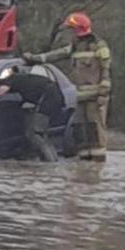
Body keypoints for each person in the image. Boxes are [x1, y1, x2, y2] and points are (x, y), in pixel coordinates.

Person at [25, 12, 111, 161]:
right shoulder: (75, 47)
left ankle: (96, 169)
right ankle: (85, 168)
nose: (69, 33)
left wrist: (103, 94)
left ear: (78, 30)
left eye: (71, 30)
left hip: (95, 99)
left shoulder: (99, 46)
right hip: (80, 97)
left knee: (95, 132)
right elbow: (56, 55)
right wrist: (35, 58)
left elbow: (106, 71)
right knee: (80, 132)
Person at [0, 64, 63, 162]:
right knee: (42, 134)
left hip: (47, 98)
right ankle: (54, 160)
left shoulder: (12, 80)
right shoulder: (25, 78)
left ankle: (50, 163)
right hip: (56, 96)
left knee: (34, 134)